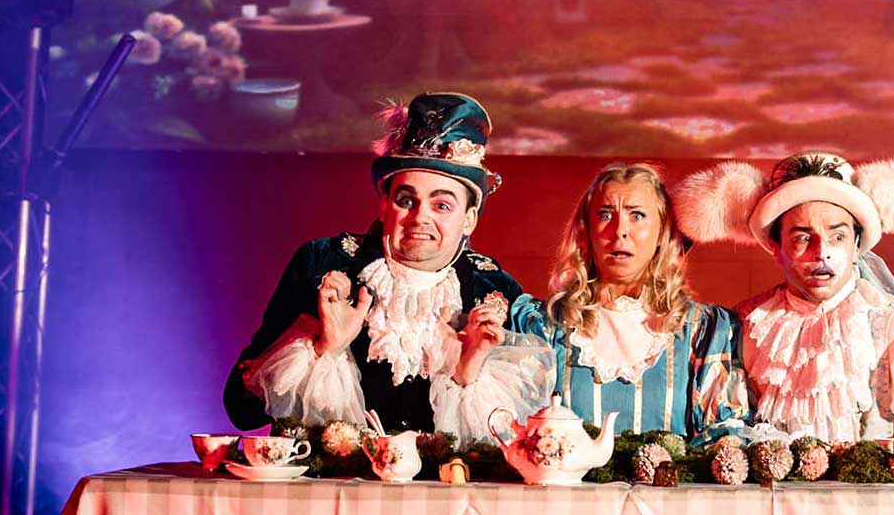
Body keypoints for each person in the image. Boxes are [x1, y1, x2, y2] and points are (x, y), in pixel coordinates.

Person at [223, 92, 552, 439]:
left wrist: (468, 377)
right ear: (384, 205)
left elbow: (512, 444)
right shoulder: (321, 263)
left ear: (469, 219)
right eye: (406, 200)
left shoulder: (495, 291)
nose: (419, 218)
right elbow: (240, 409)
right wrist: (317, 348)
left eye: (442, 205)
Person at [674, 150, 894, 453]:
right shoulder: (748, 326)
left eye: (837, 237)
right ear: (775, 246)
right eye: (803, 238)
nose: (821, 253)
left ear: (856, 245)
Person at [508, 163, 748, 443]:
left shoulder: (704, 331)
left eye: (637, 215)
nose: (620, 230)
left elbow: (725, 436)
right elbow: (516, 430)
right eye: (605, 214)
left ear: (662, 232)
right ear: (586, 231)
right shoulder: (543, 326)